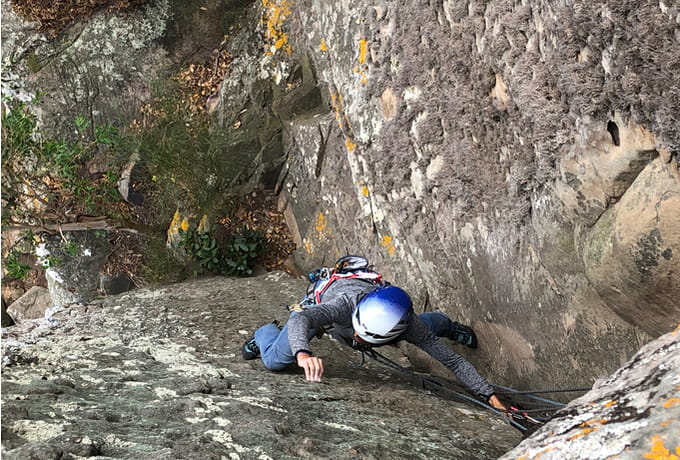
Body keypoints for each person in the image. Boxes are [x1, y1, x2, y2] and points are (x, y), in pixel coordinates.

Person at [242, 275, 507, 411]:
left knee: (428, 328)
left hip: (400, 324)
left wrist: (489, 395)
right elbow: (302, 318)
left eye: (363, 338)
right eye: (359, 334)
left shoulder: (408, 324)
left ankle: (448, 325)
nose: (357, 339)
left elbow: (453, 361)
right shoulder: (344, 306)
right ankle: (264, 333)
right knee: (275, 360)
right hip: (323, 316)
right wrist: (302, 353)